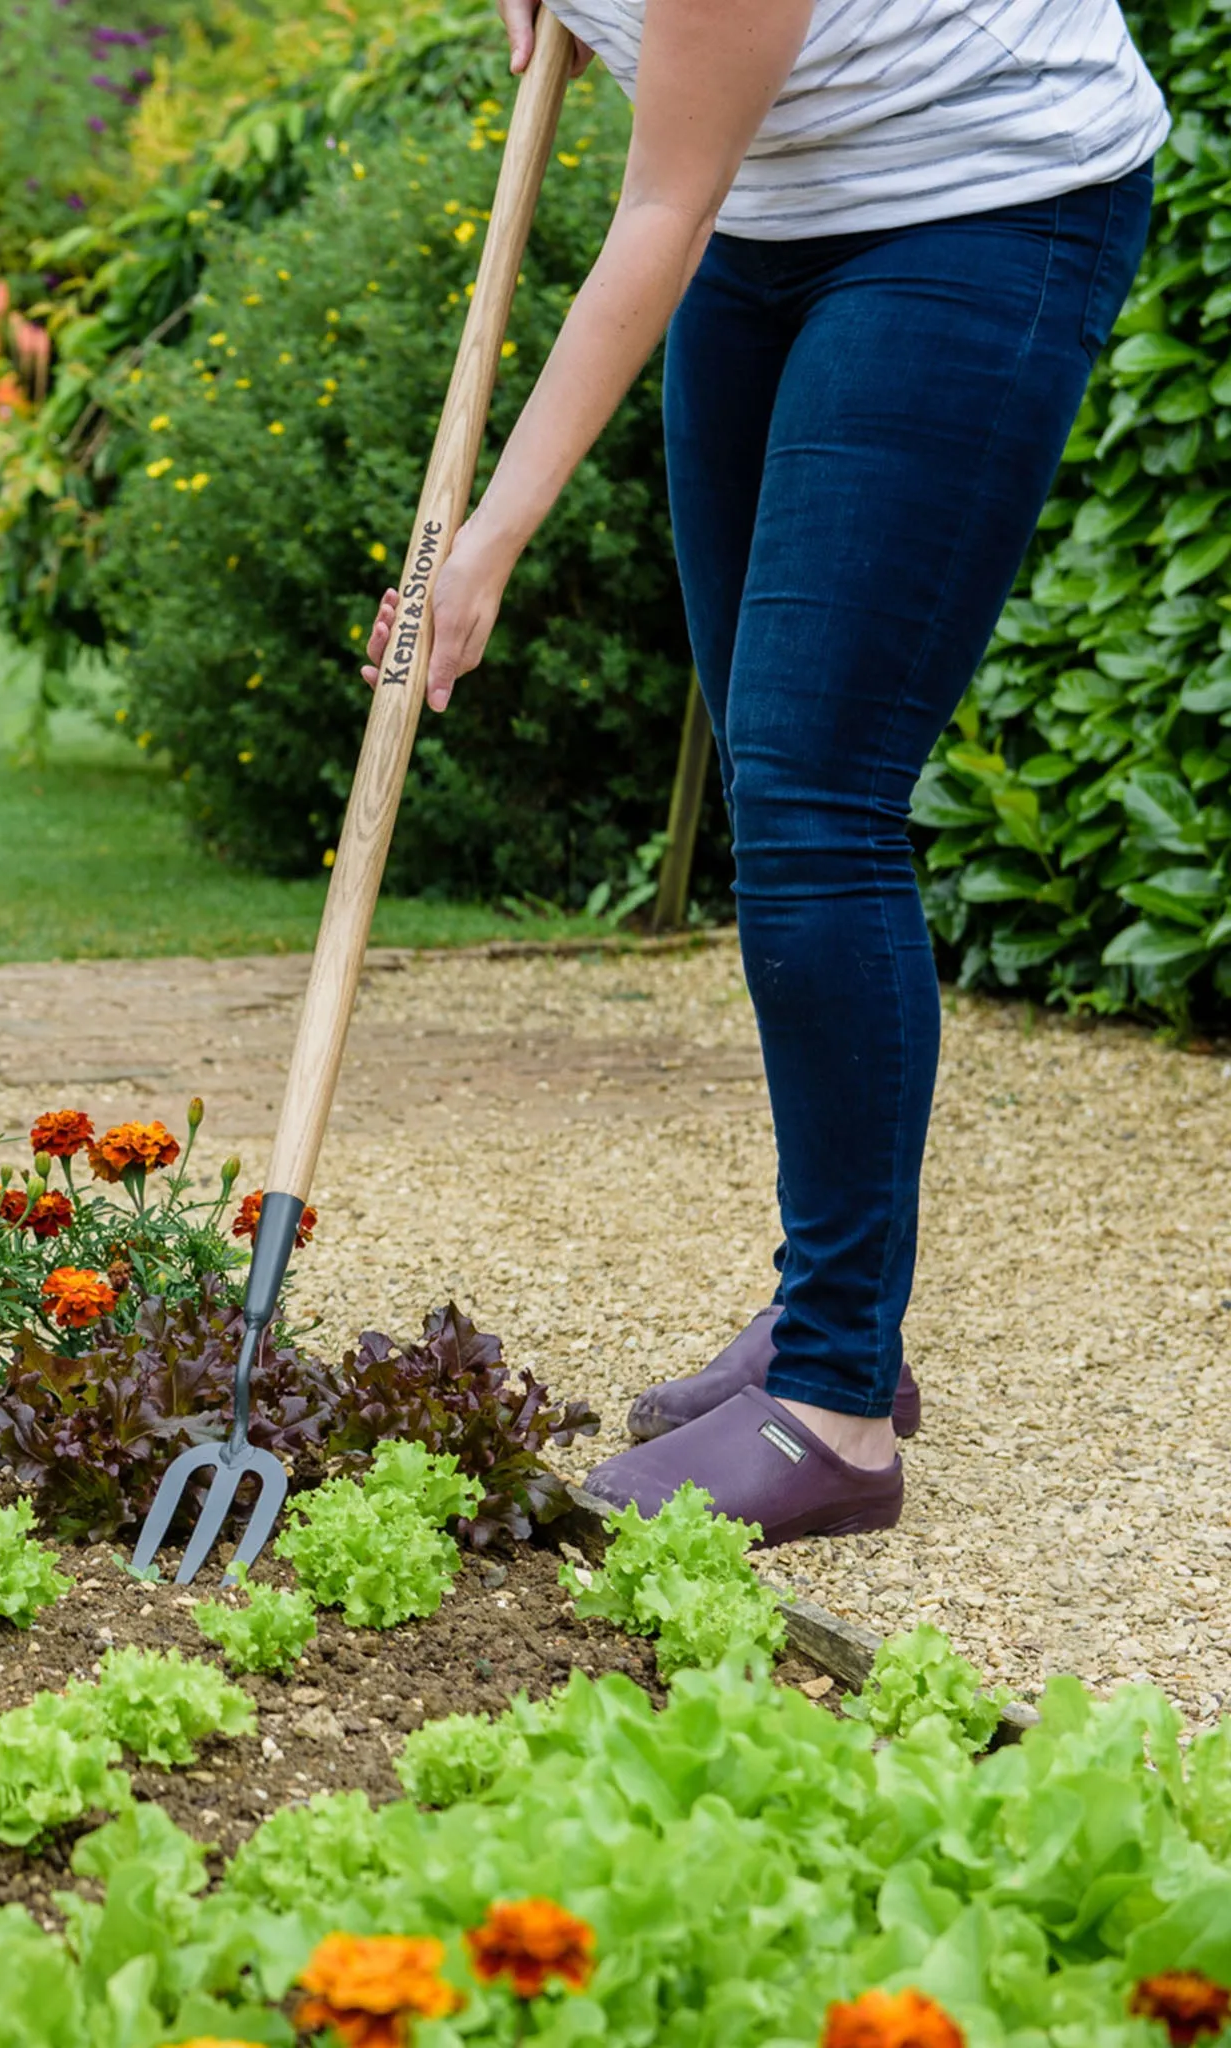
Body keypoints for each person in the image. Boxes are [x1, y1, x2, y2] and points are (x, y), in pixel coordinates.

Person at [361, 0, 1166, 1543]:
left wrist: (486, 546)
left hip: (982, 193)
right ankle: (831, 1317)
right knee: (773, 776)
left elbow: (656, 205)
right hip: (768, 206)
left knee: (816, 796)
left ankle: (840, 1413)